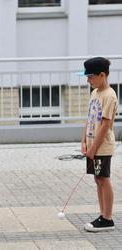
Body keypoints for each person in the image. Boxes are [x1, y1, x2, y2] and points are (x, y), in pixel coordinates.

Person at [81, 57, 118, 232]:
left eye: (90, 77)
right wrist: (84, 142)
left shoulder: (109, 95)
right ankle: (102, 214)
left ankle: (107, 218)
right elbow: (89, 119)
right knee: (97, 179)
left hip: (102, 146)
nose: (88, 80)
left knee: (104, 179)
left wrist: (94, 147)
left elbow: (105, 125)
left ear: (102, 75)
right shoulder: (94, 93)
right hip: (91, 145)